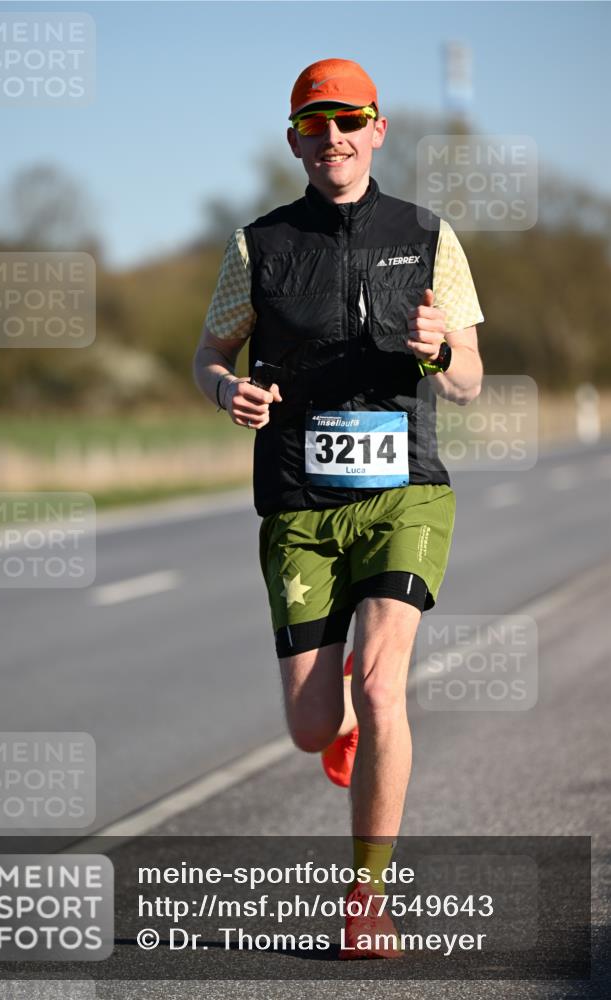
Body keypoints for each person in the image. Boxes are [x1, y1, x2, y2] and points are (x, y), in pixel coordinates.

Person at [193, 57, 484, 958]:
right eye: (313, 126)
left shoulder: (427, 235)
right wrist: (226, 391)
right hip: (299, 502)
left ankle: (366, 898)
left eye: (349, 121)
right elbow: (208, 354)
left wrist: (441, 352)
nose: (333, 139)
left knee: (382, 684)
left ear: (377, 130)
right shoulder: (259, 245)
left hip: (405, 493)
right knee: (311, 725)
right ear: (294, 142)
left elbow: (470, 380)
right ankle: (341, 721)